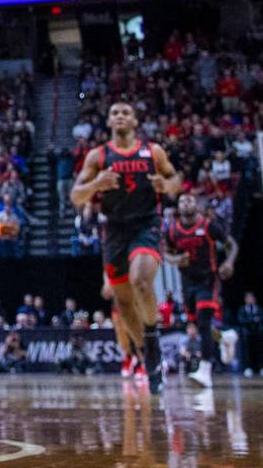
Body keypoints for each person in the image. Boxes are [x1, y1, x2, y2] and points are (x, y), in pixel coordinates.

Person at [72, 101, 181, 394]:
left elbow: (176, 180)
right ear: (109, 122)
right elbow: (76, 196)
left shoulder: (153, 151)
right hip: (115, 229)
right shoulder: (98, 155)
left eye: (125, 112)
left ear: (135, 121)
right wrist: (97, 183)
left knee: (141, 280)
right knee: (123, 303)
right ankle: (148, 355)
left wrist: (166, 186)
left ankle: (153, 341)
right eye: (115, 112)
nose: (120, 116)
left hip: (146, 224)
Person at [163, 192, 238, 388]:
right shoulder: (172, 230)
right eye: (181, 200)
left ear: (196, 205)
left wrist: (229, 262)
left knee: (203, 321)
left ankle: (205, 370)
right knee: (198, 325)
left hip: (208, 279)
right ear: (178, 207)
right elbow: (165, 252)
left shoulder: (208, 226)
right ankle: (224, 338)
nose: (185, 203)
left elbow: (232, 245)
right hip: (187, 282)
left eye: (189, 200)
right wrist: (175, 260)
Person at [236, 292, 262, 377]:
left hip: (258, 333)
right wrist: (253, 319)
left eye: (251, 298)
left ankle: (260, 367)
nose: (250, 300)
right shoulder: (242, 309)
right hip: (246, 334)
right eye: (248, 298)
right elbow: (241, 320)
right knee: (246, 350)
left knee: (259, 350)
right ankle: (247, 367)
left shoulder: (259, 309)